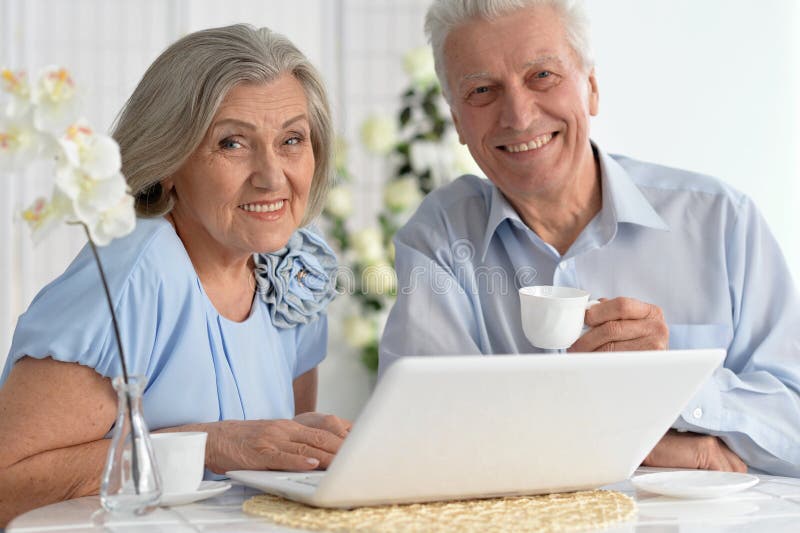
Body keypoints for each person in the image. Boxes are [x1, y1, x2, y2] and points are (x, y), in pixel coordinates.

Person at [380, 0, 800, 477]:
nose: (517, 116)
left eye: (542, 76)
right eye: (482, 90)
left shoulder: (722, 221)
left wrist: (677, 388)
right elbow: (419, 438)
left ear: (592, 89)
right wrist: (635, 447)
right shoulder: (439, 238)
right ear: (457, 120)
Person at [0, 24, 350, 526]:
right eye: (232, 143)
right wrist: (216, 444)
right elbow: (7, 483)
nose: (273, 176)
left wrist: (305, 442)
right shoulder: (135, 272)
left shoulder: (295, 266)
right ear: (169, 160)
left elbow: (270, 478)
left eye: (292, 139)